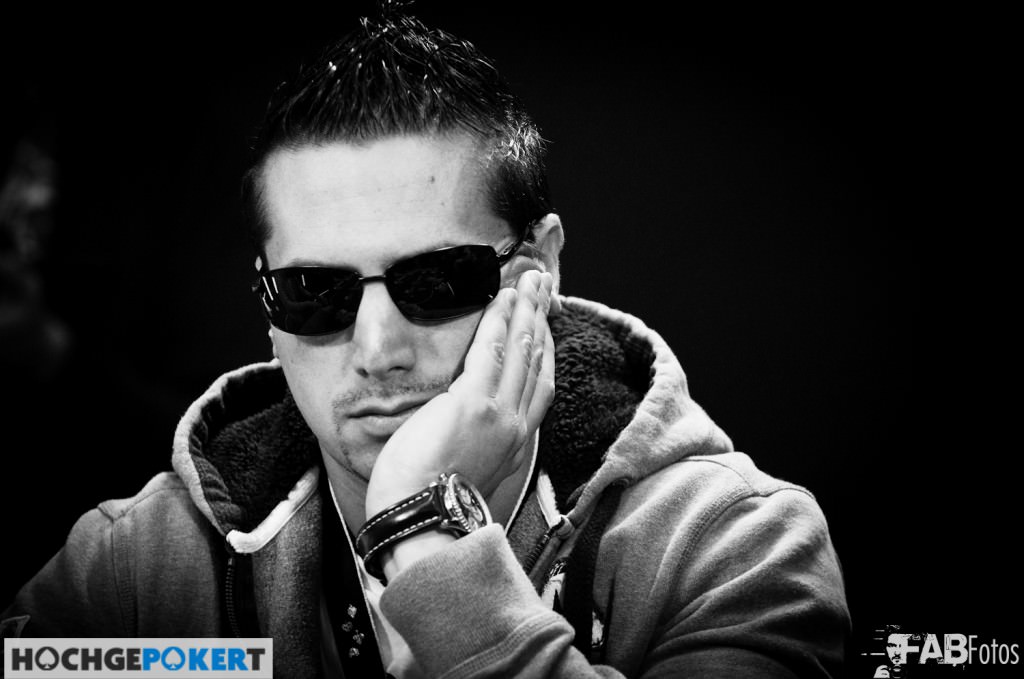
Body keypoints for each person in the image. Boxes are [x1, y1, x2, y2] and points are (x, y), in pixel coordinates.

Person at [2, 10, 851, 678]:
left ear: (540, 269)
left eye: (436, 280)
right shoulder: (139, 568)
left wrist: (424, 533)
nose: (377, 348)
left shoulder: (731, 546)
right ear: (265, 297)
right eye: (315, 290)